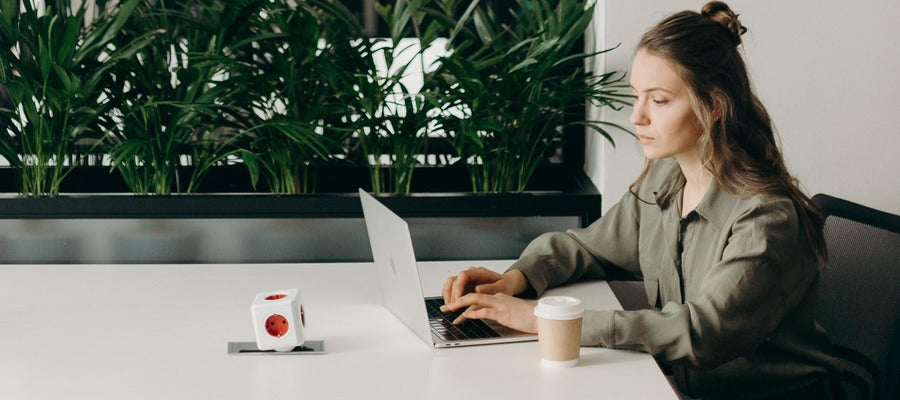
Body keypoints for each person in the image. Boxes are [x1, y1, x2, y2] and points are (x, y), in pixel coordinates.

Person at [440, 2, 855, 399]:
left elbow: (702, 333)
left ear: (712, 106)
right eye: (637, 96)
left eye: (658, 100)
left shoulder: (766, 216)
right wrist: (516, 280)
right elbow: (587, 245)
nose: (637, 116)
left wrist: (542, 320)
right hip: (678, 388)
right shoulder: (666, 177)